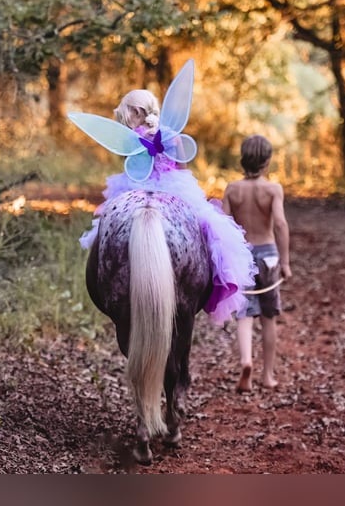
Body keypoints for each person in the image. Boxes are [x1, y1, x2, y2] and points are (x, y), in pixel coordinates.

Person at [76, 83, 257, 325]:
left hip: (136, 188)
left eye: (126, 114)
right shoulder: (173, 135)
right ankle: (216, 280)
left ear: (138, 112)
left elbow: (136, 171)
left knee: (107, 226)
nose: (124, 121)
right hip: (175, 185)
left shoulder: (131, 140)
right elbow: (182, 168)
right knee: (208, 227)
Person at [222, 134, 292, 392]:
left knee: (244, 313)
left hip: (242, 255)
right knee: (269, 315)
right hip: (269, 255)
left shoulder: (232, 189)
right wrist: (285, 261)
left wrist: (224, 260)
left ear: (243, 159)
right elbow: (281, 224)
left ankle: (246, 361)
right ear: (268, 161)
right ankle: (268, 375)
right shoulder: (273, 190)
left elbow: (225, 227)